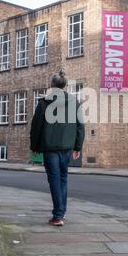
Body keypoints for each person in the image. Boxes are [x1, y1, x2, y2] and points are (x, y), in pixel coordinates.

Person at [30, 70, 85, 227]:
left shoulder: (43, 102)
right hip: (67, 147)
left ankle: (58, 215)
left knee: (54, 178)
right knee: (63, 178)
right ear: (65, 86)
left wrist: (34, 146)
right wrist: (77, 146)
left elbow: (36, 127)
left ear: (52, 85)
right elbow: (81, 126)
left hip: (49, 147)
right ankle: (62, 211)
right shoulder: (75, 102)